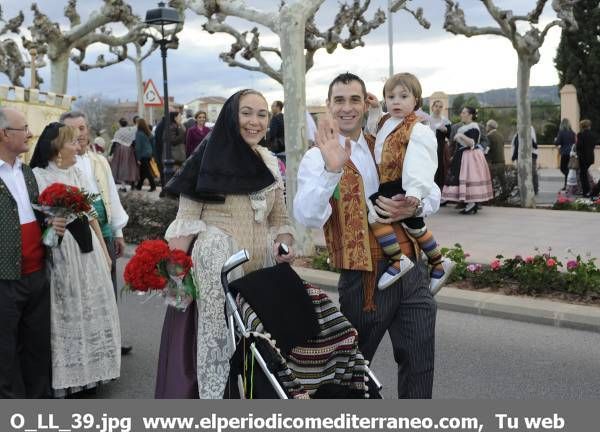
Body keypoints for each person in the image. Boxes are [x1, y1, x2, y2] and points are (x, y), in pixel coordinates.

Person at [294, 73, 438, 398]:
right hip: (364, 280)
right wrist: (332, 170)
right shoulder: (317, 156)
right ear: (329, 106)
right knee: (353, 371)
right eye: (339, 100)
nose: (347, 108)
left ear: (365, 102)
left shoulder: (389, 138)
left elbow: (433, 193)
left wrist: (412, 206)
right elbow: (306, 214)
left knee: (419, 363)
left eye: (354, 99)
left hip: (412, 268)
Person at [156, 89, 296, 399]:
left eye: (262, 115)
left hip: (260, 272)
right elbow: (186, 221)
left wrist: (284, 244)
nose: (254, 122)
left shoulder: (270, 161)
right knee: (222, 352)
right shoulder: (207, 156)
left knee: (258, 354)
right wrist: (176, 279)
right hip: (218, 270)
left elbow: (280, 219)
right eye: (247, 113)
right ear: (232, 116)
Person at [30, 122, 120, 397]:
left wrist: (105, 253)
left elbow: (90, 213)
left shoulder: (78, 171)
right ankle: (69, 376)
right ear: (57, 148)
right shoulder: (38, 175)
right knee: (67, 306)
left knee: (92, 303)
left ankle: (92, 374)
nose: (77, 146)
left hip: (87, 246)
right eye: (71, 142)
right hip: (61, 248)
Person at [364, 73, 454, 294]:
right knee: (415, 226)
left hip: (402, 183)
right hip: (392, 180)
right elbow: (373, 129)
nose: (396, 101)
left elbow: (420, 161)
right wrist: (376, 109)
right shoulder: (388, 121)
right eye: (390, 96)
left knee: (377, 215)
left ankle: (397, 259)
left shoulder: (418, 129)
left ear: (416, 100)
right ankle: (439, 262)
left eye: (403, 96)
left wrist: (414, 189)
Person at [0, 108, 67, 398]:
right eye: (23, 128)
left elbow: (32, 217)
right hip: (5, 279)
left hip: (37, 273)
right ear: (4, 134)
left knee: (38, 349)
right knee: (5, 354)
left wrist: (52, 223)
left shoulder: (26, 172)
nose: (29, 134)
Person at [60, 111, 131, 355]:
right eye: (74, 129)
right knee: (88, 290)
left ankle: (112, 337)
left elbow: (110, 194)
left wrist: (118, 231)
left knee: (109, 285)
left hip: (105, 228)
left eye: (83, 127)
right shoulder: (61, 162)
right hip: (80, 234)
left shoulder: (98, 161)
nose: (81, 133)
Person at [442, 107, 494, 214]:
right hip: (463, 154)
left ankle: (472, 203)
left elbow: (472, 143)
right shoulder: (465, 127)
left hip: (470, 156)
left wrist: (460, 136)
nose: (461, 114)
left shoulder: (473, 127)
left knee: (470, 177)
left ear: (470, 115)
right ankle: (469, 203)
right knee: (464, 178)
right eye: (462, 112)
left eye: (464, 112)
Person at [109, 118, 138, 191]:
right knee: (130, 167)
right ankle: (132, 185)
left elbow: (114, 143)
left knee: (121, 167)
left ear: (120, 124)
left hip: (120, 151)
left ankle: (123, 186)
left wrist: (110, 154)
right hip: (130, 150)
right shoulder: (130, 131)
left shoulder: (118, 132)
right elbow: (134, 142)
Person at [429, 100, 451, 189]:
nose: (438, 108)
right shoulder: (427, 120)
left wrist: (445, 130)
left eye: (440, 107)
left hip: (440, 148)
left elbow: (449, 135)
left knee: (440, 168)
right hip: (428, 147)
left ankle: (439, 190)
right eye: (436, 106)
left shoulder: (445, 121)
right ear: (432, 107)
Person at [511, 125, 539, 195]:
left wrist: (513, 157)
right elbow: (535, 144)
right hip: (532, 154)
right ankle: (534, 189)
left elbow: (517, 145)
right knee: (532, 172)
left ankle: (525, 190)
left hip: (526, 155)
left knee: (525, 173)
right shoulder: (530, 129)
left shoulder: (525, 130)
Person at [134, 118, 156, 192]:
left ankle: (153, 186)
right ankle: (139, 186)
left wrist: (138, 158)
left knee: (146, 171)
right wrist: (152, 153)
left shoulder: (138, 133)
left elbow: (138, 147)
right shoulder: (148, 132)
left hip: (143, 154)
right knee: (143, 171)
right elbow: (153, 141)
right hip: (149, 153)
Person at [485, 119, 506, 197]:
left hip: (493, 163)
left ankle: (491, 198)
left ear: (490, 127)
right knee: (503, 182)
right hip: (502, 161)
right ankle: (504, 196)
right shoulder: (501, 135)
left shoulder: (489, 136)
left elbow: (486, 150)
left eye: (486, 125)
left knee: (489, 182)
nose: (485, 127)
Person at [576, 119, 597, 197]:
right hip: (590, 157)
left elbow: (579, 146)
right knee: (585, 173)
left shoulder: (580, 134)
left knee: (583, 175)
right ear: (589, 126)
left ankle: (586, 191)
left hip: (582, 157)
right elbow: (593, 145)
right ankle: (589, 190)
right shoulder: (593, 134)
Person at [555, 118, 576, 191]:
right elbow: (575, 142)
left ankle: (567, 184)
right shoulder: (572, 132)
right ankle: (567, 184)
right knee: (568, 169)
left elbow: (558, 142)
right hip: (572, 153)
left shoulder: (561, 132)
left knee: (563, 168)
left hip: (564, 153)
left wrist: (555, 141)